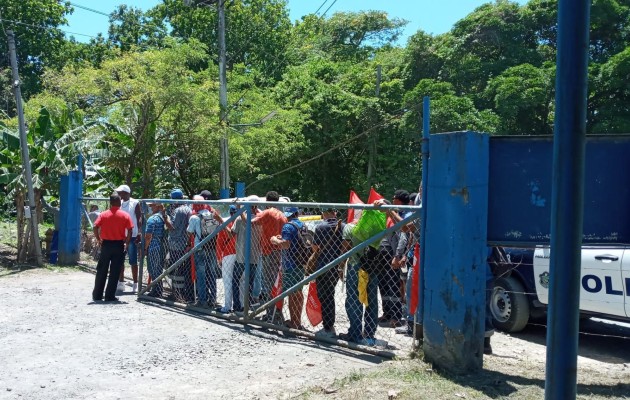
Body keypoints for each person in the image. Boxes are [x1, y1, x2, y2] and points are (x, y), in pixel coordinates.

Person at [339, 221, 380, 345]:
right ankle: (369, 334)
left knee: (353, 299)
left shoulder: (349, 227)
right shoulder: (375, 227)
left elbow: (345, 248)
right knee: (371, 300)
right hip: (372, 266)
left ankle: (355, 333)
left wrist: (340, 267)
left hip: (356, 266)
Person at [373, 190, 411, 328]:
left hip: (392, 256)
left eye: (394, 198)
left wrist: (397, 256)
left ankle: (395, 316)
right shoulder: (390, 216)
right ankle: (387, 313)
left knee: (393, 286)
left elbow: (403, 237)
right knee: (383, 286)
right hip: (382, 257)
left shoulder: (401, 216)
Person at [251, 191, 287, 317]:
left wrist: (242, 211)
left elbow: (252, 223)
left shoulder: (267, 212)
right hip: (279, 252)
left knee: (268, 283)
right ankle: (277, 312)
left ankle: (269, 313)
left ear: (267, 200)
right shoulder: (282, 215)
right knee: (277, 283)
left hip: (268, 251)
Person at [92, 192, 133, 302]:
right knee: (115, 271)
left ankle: (97, 295)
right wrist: (127, 243)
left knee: (102, 270)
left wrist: (98, 239)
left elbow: (95, 226)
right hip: (118, 245)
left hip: (106, 245)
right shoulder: (125, 215)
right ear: (119, 202)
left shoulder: (103, 214)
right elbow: (130, 229)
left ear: (110, 203)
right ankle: (110, 295)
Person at [270, 206, 306, 330]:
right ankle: (298, 321)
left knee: (291, 294)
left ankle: (293, 322)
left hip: (290, 264)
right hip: (301, 263)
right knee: (299, 293)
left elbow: (286, 245)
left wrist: (275, 240)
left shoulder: (287, 226)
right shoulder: (302, 225)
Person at [312, 208, 345, 338]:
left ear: (324, 214)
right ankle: (329, 325)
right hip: (337, 266)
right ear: (335, 213)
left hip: (322, 265)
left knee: (324, 296)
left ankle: (328, 327)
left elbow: (315, 247)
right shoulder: (343, 226)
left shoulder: (320, 227)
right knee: (330, 294)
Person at [187, 195, 224, 307]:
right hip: (212, 248)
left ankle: (202, 300)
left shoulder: (194, 217)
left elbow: (189, 232)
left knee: (201, 275)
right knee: (212, 274)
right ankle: (213, 299)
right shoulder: (213, 214)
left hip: (200, 249)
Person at [229, 198, 263, 312]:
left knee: (235, 280)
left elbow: (231, 234)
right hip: (254, 256)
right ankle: (247, 306)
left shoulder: (239, 219)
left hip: (241, 257)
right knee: (250, 282)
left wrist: (222, 224)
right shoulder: (260, 219)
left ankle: (237, 306)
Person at [115, 184, 143, 294]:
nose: (119, 194)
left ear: (126, 193)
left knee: (133, 260)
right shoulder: (119, 203)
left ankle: (136, 283)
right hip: (121, 236)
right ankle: (121, 282)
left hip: (132, 235)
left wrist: (140, 232)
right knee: (120, 260)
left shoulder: (135, 203)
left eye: (120, 192)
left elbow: (139, 218)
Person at [168, 189, 194, 303]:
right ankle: (185, 293)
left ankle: (177, 294)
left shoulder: (177, 211)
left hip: (176, 244)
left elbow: (173, 227)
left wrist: (165, 219)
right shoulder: (189, 208)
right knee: (185, 270)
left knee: (176, 270)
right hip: (186, 243)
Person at [144, 202, 169, 298]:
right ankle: (158, 289)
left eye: (151, 206)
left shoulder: (152, 219)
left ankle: (156, 290)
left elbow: (148, 236)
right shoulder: (164, 217)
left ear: (157, 207)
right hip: (163, 246)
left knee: (153, 268)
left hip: (154, 246)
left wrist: (145, 248)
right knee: (158, 268)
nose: (150, 208)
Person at [216, 205, 237, 313]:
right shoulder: (243, 223)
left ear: (230, 213)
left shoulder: (225, 223)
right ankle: (241, 306)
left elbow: (220, 243)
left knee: (228, 281)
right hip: (241, 255)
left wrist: (219, 258)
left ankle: (227, 307)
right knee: (241, 281)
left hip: (228, 255)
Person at [41, 196, 60, 264]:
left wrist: (41, 198)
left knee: (54, 247)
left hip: (58, 232)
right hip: (67, 232)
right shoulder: (69, 211)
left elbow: (47, 207)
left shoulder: (57, 210)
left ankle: (53, 261)